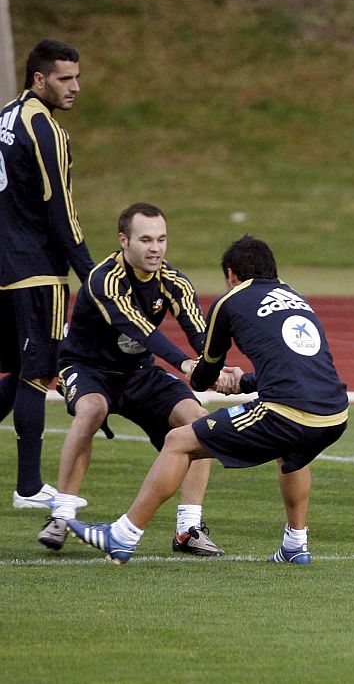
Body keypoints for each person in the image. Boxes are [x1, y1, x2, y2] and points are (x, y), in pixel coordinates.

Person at [69, 236, 349, 564]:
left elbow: (204, 373)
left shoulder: (228, 302)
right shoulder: (297, 298)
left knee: (179, 440)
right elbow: (300, 369)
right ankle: (295, 545)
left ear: (231, 275)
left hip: (287, 411)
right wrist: (242, 382)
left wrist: (209, 377)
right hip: (334, 413)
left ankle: (122, 535)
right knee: (292, 454)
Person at [38, 203, 224, 556]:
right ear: (124, 241)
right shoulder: (104, 278)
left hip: (139, 373)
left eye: (161, 239)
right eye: (146, 240)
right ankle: (61, 515)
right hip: (86, 367)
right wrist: (186, 364)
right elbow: (139, 329)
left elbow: (200, 334)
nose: (155, 248)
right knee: (92, 409)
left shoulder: (174, 281)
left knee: (199, 422)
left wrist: (214, 367)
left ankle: (188, 528)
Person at [0, 39, 95, 510]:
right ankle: (30, 488)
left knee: (15, 370)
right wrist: (93, 278)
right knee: (38, 374)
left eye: (76, 76)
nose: (75, 87)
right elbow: (62, 211)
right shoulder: (48, 130)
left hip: (3, 265)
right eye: (64, 78)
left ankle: (28, 484)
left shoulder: (5, 117)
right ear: (39, 79)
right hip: (36, 270)